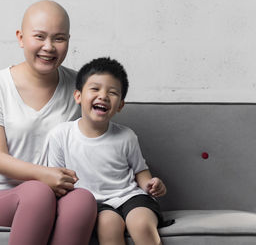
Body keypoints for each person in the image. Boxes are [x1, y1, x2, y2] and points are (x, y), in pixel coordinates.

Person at [0, 0, 97, 245]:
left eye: (59, 38)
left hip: (59, 196)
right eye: (39, 36)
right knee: (38, 193)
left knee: (83, 199)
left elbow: (96, 144)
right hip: (2, 197)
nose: (49, 47)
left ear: (68, 41)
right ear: (21, 38)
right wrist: (44, 176)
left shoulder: (80, 87)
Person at [44, 57, 170, 245]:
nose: (103, 96)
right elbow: (55, 179)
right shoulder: (60, 135)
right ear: (78, 96)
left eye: (112, 93)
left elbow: (140, 171)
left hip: (130, 197)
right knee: (108, 224)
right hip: (94, 204)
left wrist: (151, 184)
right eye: (95, 89)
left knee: (141, 224)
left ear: (120, 105)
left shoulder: (127, 136)